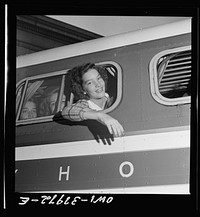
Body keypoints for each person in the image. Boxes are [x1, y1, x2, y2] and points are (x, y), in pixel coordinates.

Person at [61, 63, 124, 137]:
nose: (98, 84)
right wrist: (100, 116)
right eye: (90, 83)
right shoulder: (85, 103)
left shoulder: (115, 97)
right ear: (82, 89)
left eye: (99, 78)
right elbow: (67, 111)